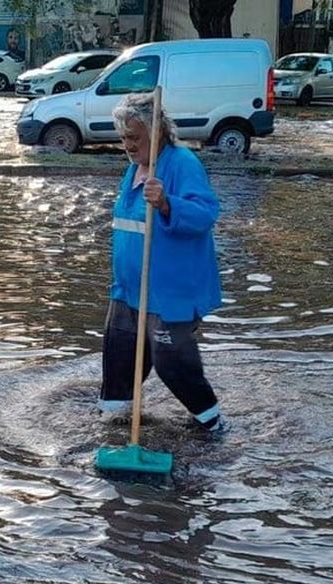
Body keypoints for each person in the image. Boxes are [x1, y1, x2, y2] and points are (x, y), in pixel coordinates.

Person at [100, 92, 227, 437]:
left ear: (157, 133)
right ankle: (115, 426)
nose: (127, 144)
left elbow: (205, 214)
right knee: (119, 356)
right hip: (128, 291)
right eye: (124, 137)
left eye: (134, 138)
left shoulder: (182, 163)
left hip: (169, 294)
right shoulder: (133, 170)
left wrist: (169, 203)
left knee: (174, 365)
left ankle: (212, 424)